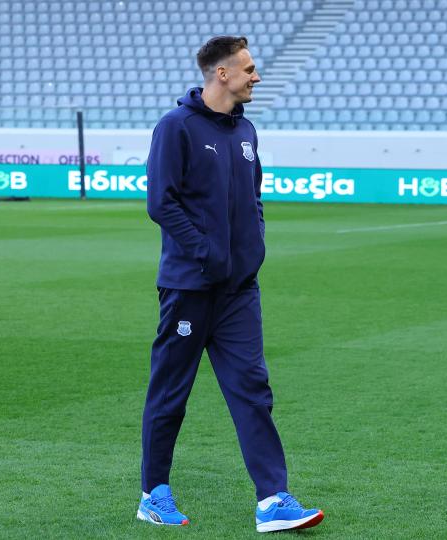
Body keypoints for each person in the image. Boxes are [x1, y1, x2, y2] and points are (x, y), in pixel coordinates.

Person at [138, 36, 324, 532]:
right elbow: (161, 202)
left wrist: (253, 245)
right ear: (222, 73)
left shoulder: (246, 131)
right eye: (248, 68)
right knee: (171, 393)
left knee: (253, 391)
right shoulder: (176, 127)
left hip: (240, 290)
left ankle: (273, 499)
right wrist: (205, 252)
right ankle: (153, 493)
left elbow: (254, 197)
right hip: (189, 288)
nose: (256, 76)